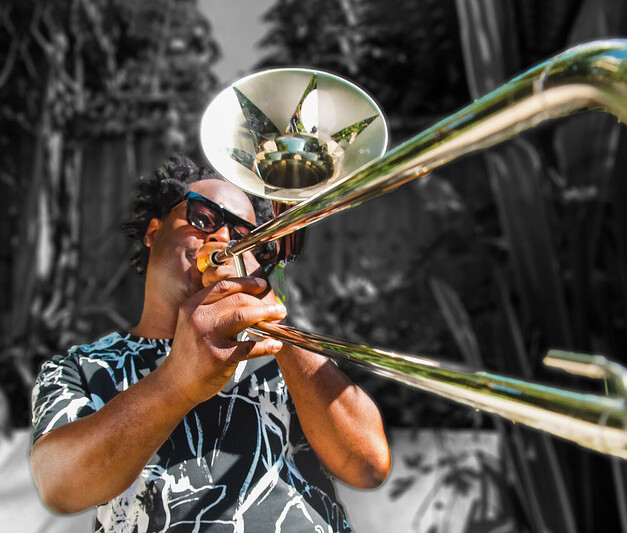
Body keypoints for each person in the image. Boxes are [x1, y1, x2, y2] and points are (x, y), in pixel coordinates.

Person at [29, 154, 391, 532]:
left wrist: (275, 325)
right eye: (204, 219)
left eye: (244, 238)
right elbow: (59, 485)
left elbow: (368, 464)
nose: (223, 239)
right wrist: (176, 383)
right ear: (154, 231)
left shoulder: (285, 355)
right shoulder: (82, 366)